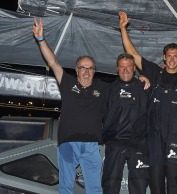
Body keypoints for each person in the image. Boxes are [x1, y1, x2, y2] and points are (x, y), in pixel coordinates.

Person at [119, 11, 177, 194]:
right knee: (155, 180)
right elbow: (132, 53)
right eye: (168, 55)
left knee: (174, 180)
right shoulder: (154, 73)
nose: (171, 59)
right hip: (153, 135)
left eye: (175, 56)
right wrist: (123, 29)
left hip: (176, 137)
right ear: (164, 57)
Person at [33, 18, 107, 194]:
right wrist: (41, 39)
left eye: (90, 68)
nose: (86, 71)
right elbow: (53, 63)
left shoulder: (102, 87)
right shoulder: (67, 82)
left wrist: (143, 77)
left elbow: (125, 83)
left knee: (95, 188)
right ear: (77, 70)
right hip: (68, 143)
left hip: (91, 146)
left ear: (94, 71)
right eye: (83, 68)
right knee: (66, 187)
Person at [102, 53, 150, 194]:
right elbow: (96, 111)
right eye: (122, 67)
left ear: (134, 68)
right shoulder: (108, 90)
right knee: (110, 186)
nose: (125, 70)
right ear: (117, 69)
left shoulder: (145, 87)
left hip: (139, 144)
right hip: (115, 143)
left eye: (128, 66)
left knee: (139, 187)